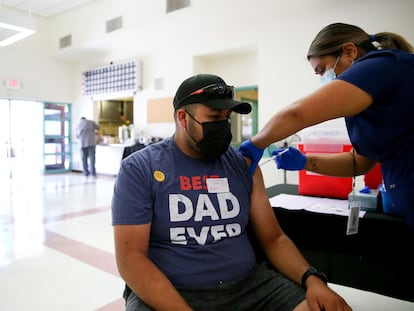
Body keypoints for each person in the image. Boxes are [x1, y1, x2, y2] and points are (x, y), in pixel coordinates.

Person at [111, 73, 352, 311]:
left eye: (226, 118)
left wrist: (312, 280)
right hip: (172, 290)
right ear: (183, 118)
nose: (223, 126)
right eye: (214, 117)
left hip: (250, 287)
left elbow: (274, 238)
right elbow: (131, 259)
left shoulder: (243, 165)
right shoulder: (140, 168)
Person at [239, 22, 414, 237]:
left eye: (323, 70)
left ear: (349, 51)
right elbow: (360, 162)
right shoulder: (366, 105)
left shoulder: (381, 65)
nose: (324, 79)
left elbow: (297, 114)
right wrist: (304, 161)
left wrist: (256, 143)